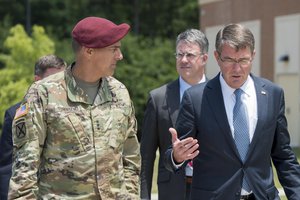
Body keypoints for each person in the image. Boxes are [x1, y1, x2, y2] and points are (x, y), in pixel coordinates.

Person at [8, 17, 140, 200]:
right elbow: (25, 167)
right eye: (114, 49)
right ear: (89, 51)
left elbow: (130, 158)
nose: (120, 56)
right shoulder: (43, 94)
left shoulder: (119, 92)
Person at [165, 23, 300, 200]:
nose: (236, 69)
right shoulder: (196, 98)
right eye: (229, 60)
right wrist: (176, 156)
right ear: (217, 57)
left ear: (253, 56)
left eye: (243, 60)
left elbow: (283, 156)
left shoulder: (273, 95)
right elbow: (173, 155)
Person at [140, 29, 209, 200]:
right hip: (173, 191)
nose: (183, 60)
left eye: (190, 55)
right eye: (179, 54)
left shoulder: (220, 95)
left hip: (212, 190)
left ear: (204, 58)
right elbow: (145, 160)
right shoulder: (158, 98)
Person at [0, 54, 66, 200]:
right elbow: (7, 167)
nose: (59, 87)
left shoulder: (77, 113)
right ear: (37, 81)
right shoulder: (16, 115)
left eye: (63, 81)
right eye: (52, 81)